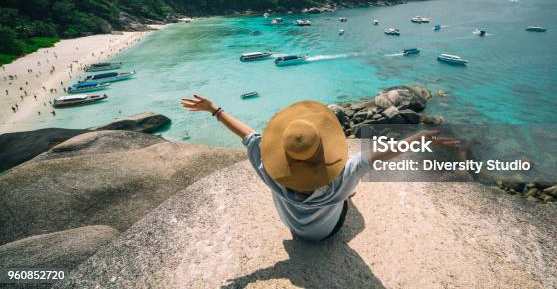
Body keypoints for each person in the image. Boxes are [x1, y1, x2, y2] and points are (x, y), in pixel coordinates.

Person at [181, 94, 458, 241]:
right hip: (328, 231)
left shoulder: (267, 169)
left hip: (295, 229)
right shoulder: (341, 180)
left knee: (348, 176)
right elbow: (380, 155)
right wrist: (420, 137)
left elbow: (248, 135)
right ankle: (346, 195)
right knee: (351, 181)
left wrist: (214, 109)